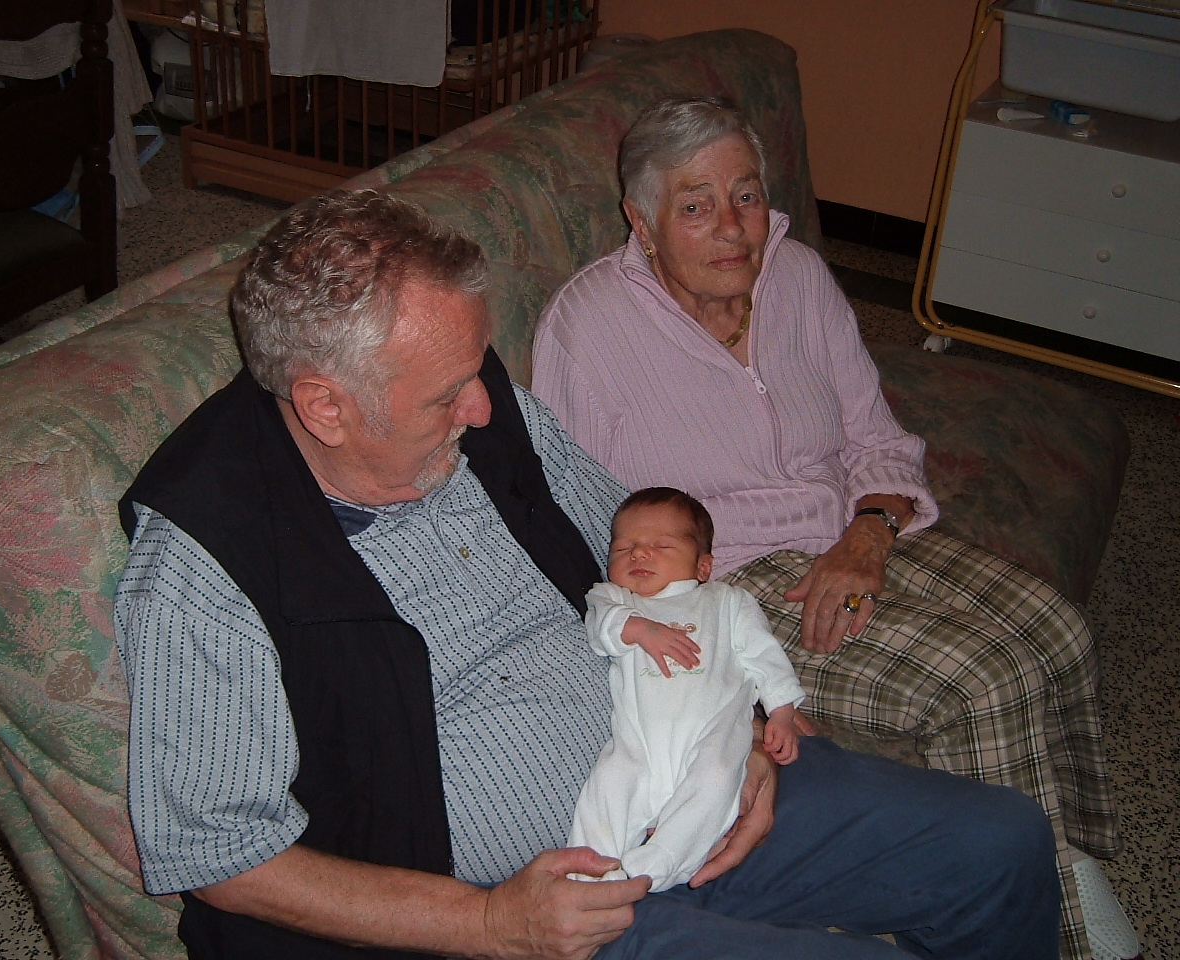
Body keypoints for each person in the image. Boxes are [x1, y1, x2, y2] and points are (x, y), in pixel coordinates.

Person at [114, 188, 1061, 960]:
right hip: (535, 912)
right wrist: (490, 924)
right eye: (447, 395)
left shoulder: (479, 405)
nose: (484, 408)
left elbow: (644, 555)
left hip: (678, 763)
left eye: (477, 369)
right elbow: (217, 855)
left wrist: (735, 719)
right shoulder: (209, 560)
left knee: (1004, 844)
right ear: (326, 406)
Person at [530, 96, 1136, 960]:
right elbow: (570, 520)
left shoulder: (799, 277)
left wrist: (870, 533)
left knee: (1057, 630)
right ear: (643, 221)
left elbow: (875, 436)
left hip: (849, 531)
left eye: (746, 194)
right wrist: (705, 683)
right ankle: (1059, 918)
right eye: (696, 205)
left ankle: (1059, 858)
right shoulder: (589, 329)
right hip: (725, 588)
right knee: (982, 680)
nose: (734, 226)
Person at [568, 487, 808, 893]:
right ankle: (589, 870)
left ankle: (662, 862)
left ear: (703, 566)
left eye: (661, 545)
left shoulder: (727, 602)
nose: (638, 554)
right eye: (623, 548)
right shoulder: (614, 599)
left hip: (713, 732)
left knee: (718, 780)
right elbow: (601, 629)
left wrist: (782, 710)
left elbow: (763, 656)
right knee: (609, 783)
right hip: (639, 739)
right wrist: (639, 628)